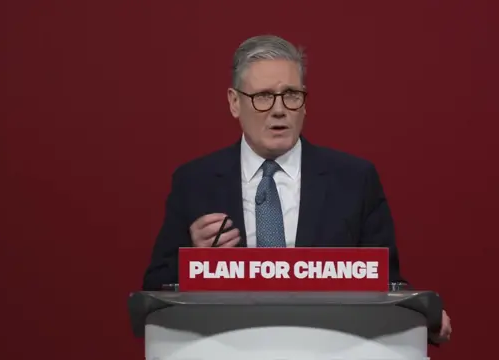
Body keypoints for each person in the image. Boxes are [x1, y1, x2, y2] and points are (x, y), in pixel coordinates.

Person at [141, 34, 451, 342]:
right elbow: (155, 292)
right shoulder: (195, 182)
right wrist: (196, 262)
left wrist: (422, 317)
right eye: (263, 96)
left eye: (291, 94)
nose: (279, 110)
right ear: (235, 103)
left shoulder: (354, 180)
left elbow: (387, 285)